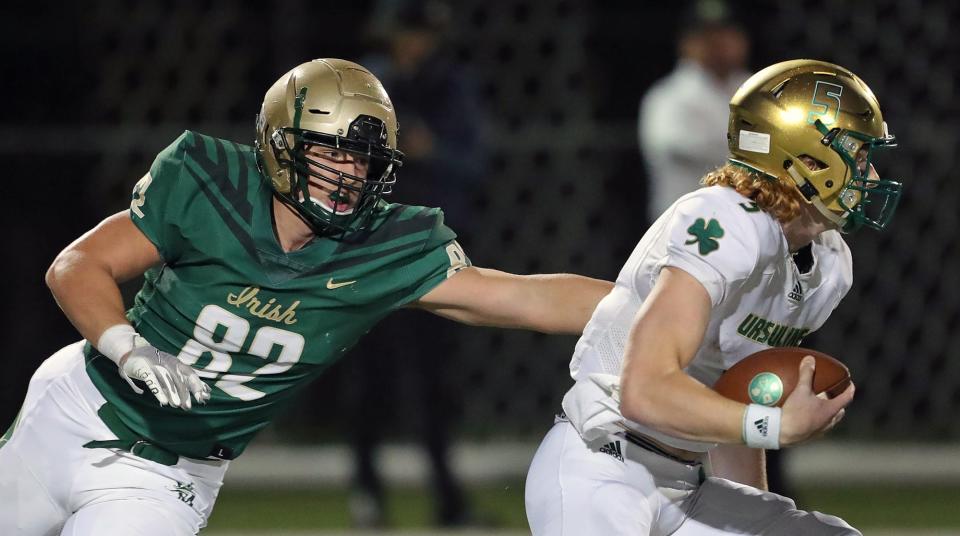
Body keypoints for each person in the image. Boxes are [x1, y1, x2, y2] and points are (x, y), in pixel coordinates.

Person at [0, 58, 613, 535]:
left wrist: (663, 304)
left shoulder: (383, 245)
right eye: (331, 151)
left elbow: (523, 298)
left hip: (168, 474)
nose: (348, 173)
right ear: (279, 143)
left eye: (364, 160)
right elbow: (76, 266)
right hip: (74, 412)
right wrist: (128, 348)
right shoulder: (208, 180)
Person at [525, 59, 902, 535]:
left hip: (686, 485)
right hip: (602, 464)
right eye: (859, 154)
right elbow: (644, 392)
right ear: (807, 159)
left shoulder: (829, 264)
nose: (869, 172)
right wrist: (773, 426)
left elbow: (741, 388)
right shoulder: (728, 220)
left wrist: (759, 494)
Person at [342, 1, 487, 527]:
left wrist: (430, 150)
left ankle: (447, 497)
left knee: (435, 376)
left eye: (422, 33)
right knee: (371, 373)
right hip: (370, 245)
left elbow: (474, 164)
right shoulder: (364, 86)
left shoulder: (452, 86)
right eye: (407, 32)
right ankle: (366, 490)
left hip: (432, 247)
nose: (414, 43)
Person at [639, 0, 750, 217]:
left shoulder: (756, 87)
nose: (718, 42)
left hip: (748, 225)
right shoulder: (668, 96)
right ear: (685, 44)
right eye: (706, 36)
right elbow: (676, 147)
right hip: (687, 227)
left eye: (727, 33)